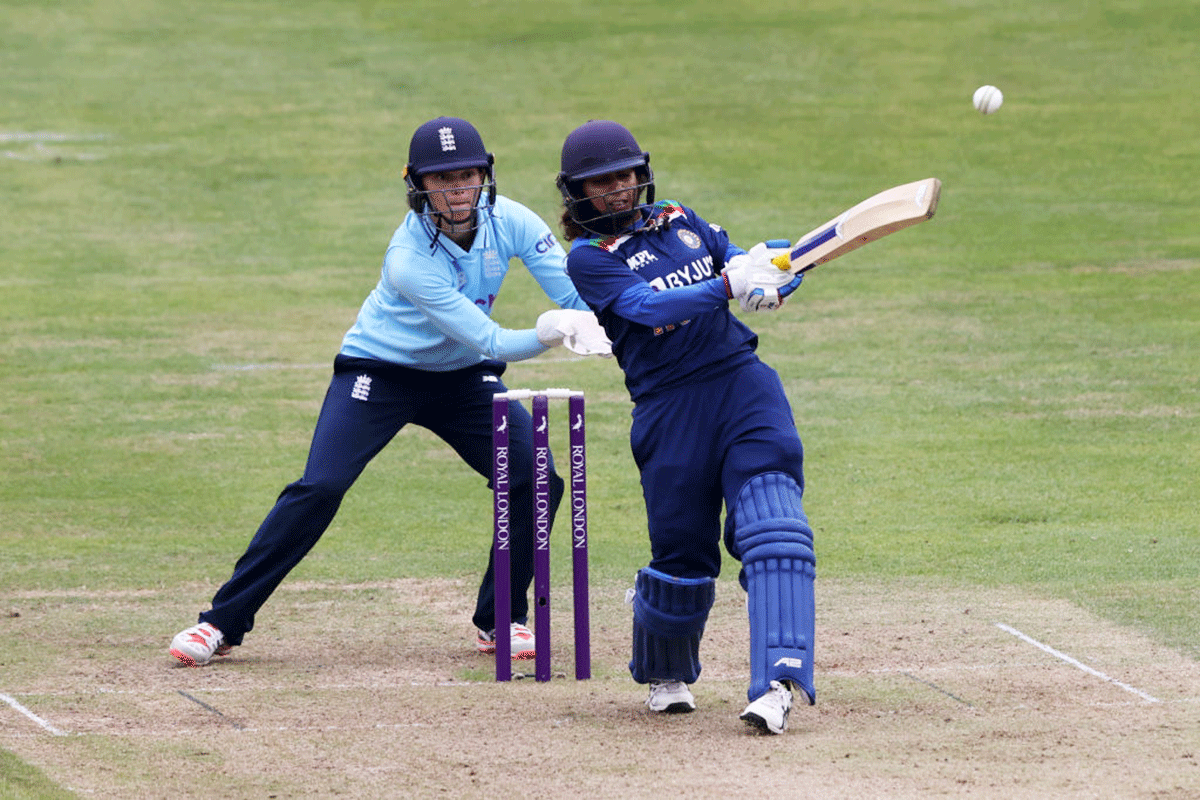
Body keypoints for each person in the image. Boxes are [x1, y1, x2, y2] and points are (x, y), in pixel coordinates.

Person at [170, 116, 610, 668]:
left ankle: (501, 619)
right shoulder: (409, 260)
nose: (457, 190)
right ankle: (221, 623)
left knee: (536, 477)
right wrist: (550, 332)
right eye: (442, 179)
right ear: (418, 185)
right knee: (321, 487)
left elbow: (573, 290)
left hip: (463, 377)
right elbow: (491, 337)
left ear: (485, 175)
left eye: (468, 175)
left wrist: (609, 321)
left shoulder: (513, 221)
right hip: (378, 373)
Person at [555, 119, 813, 734]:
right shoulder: (588, 260)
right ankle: (665, 672)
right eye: (601, 183)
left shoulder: (680, 218)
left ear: (641, 173)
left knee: (775, 529)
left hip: (743, 387)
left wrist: (772, 276)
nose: (618, 189)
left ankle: (778, 683)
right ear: (577, 193)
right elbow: (645, 309)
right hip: (669, 410)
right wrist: (727, 284)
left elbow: (745, 263)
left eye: (624, 175)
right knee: (682, 559)